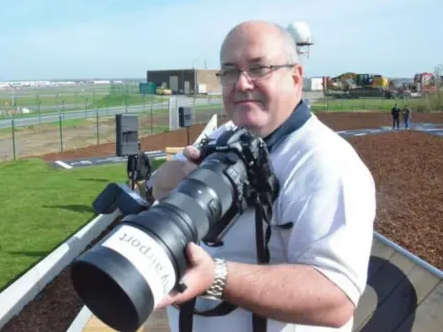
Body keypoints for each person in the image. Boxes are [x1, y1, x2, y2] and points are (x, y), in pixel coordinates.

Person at [151, 20, 376, 332]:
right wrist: (186, 172)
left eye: (258, 68)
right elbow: (157, 187)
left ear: (296, 78)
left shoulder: (325, 162)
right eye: (229, 71)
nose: (242, 83)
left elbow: (335, 298)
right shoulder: (225, 137)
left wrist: (216, 278)